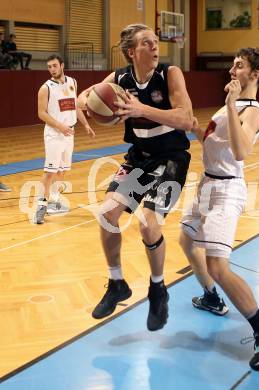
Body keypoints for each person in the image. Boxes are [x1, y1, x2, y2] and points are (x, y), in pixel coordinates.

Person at [78, 23, 193, 331]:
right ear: (132, 52)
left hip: (171, 159)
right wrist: (85, 104)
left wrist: (142, 108)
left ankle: (158, 290)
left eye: (155, 42)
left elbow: (187, 119)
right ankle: (117, 283)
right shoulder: (119, 79)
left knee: (147, 223)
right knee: (105, 215)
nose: (155, 47)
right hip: (140, 160)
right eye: (147, 43)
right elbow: (84, 97)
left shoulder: (169, 74)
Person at [179, 47, 259, 371]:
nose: (232, 70)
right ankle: (212, 297)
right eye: (233, 65)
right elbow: (216, 144)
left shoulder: (251, 110)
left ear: (254, 75)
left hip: (226, 190)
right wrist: (195, 129)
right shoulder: (229, 109)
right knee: (186, 241)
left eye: (239, 66)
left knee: (218, 266)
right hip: (206, 185)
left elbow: (241, 152)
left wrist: (228, 103)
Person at [34, 54, 94, 224]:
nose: (52, 69)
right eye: (49, 67)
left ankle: (54, 199)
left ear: (62, 65)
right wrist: (60, 126)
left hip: (69, 133)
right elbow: (41, 113)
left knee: (62, 170)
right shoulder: (45, 88)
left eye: (54, 66)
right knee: (50, 171)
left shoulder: (72, 82)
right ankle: (41, 206)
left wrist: (86, 125)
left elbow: (75, 105)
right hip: (54, 133)